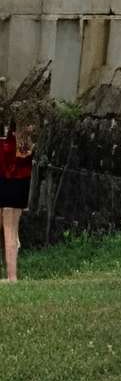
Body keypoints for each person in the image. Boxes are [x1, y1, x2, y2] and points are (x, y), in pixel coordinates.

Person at [0, 116, 35, 283]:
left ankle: (11, 276)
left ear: (12, 129)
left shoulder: (6, 145)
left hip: (6, 191)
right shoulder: (29, 146)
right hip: (21, 192)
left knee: (8, 233)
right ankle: (13, 276)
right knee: (14, 232)